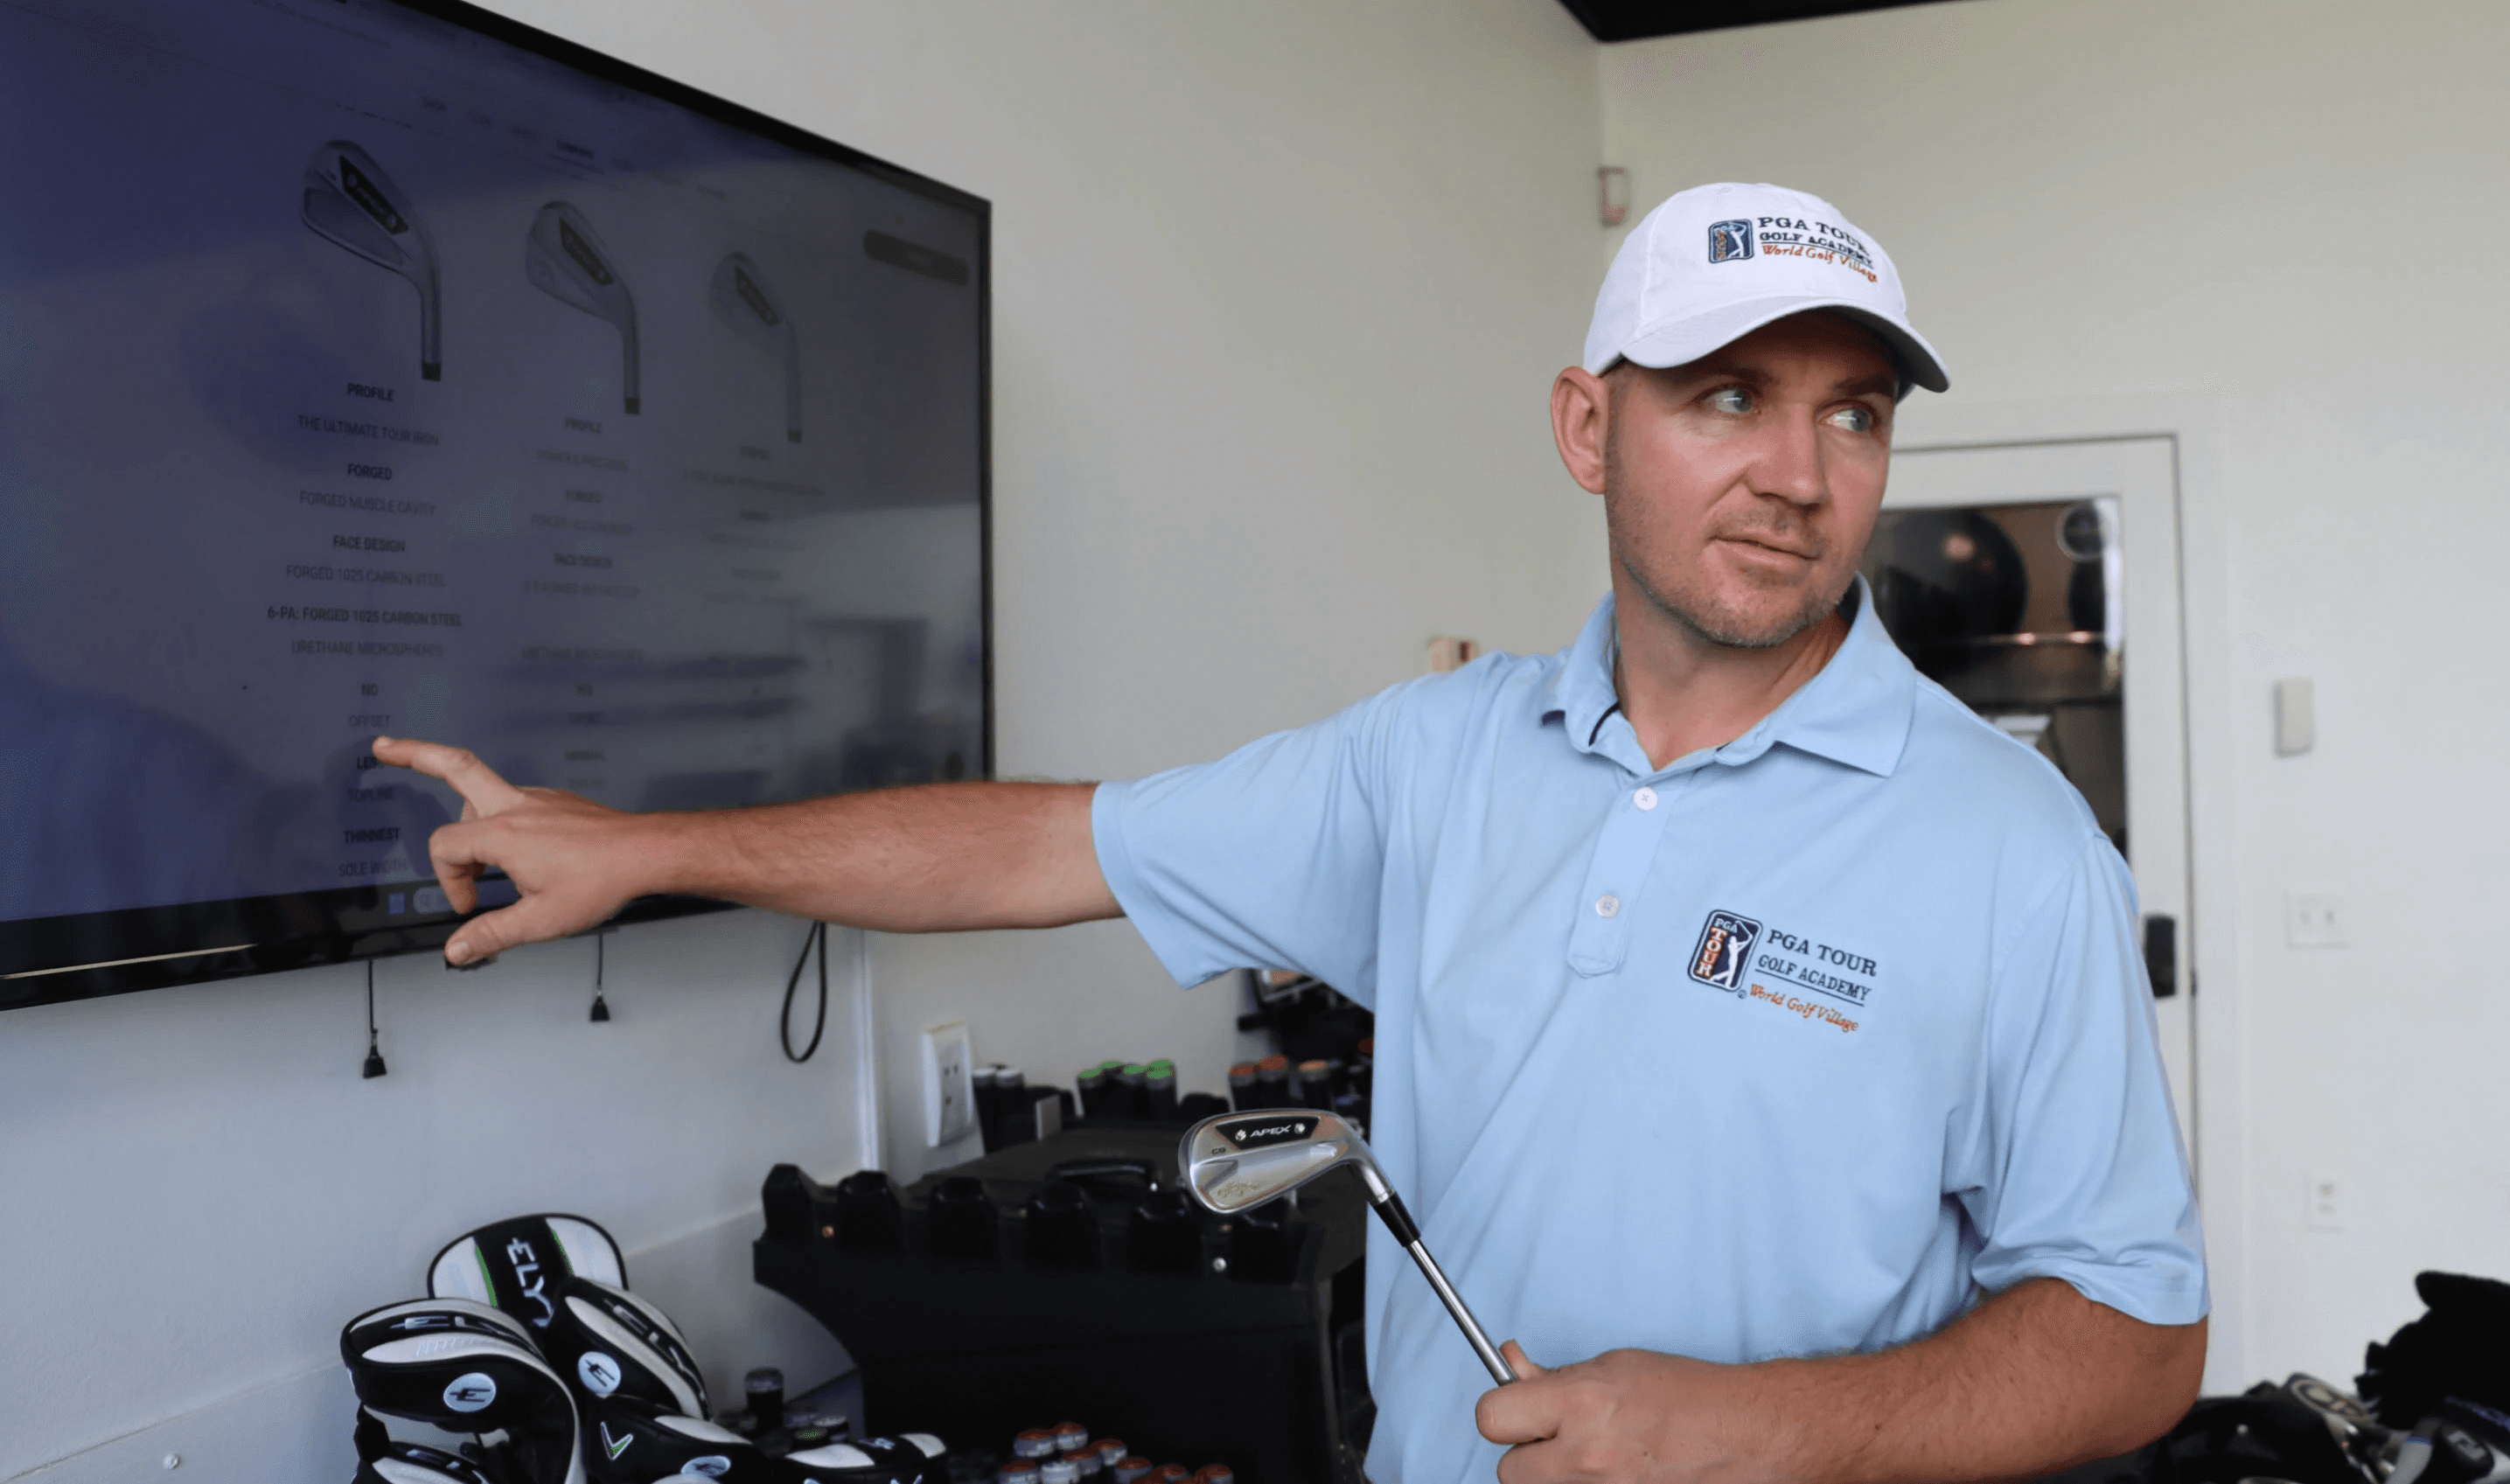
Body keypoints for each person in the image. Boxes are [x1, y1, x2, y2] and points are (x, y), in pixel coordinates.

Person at [374, 183, 2207, 1484]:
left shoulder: (2013, 844)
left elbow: (2135, 1339)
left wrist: (1756, 1431)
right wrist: (646, 847)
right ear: (1590, 423)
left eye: (1851, 413)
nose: (1798, 475)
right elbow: (1036, 848)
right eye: (1727, 394)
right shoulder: (1428, 758)